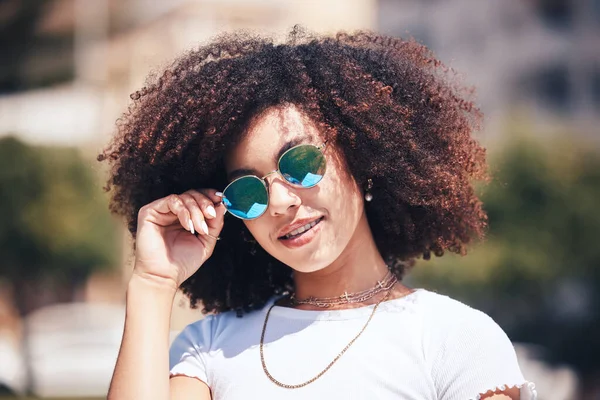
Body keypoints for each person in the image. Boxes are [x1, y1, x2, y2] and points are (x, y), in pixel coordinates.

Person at [100, 27, 537, 400]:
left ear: (363, 163)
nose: (280, 203)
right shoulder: (210, 348)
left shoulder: (452, 338)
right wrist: (153, 285)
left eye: (301, 166)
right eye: (248, 189)